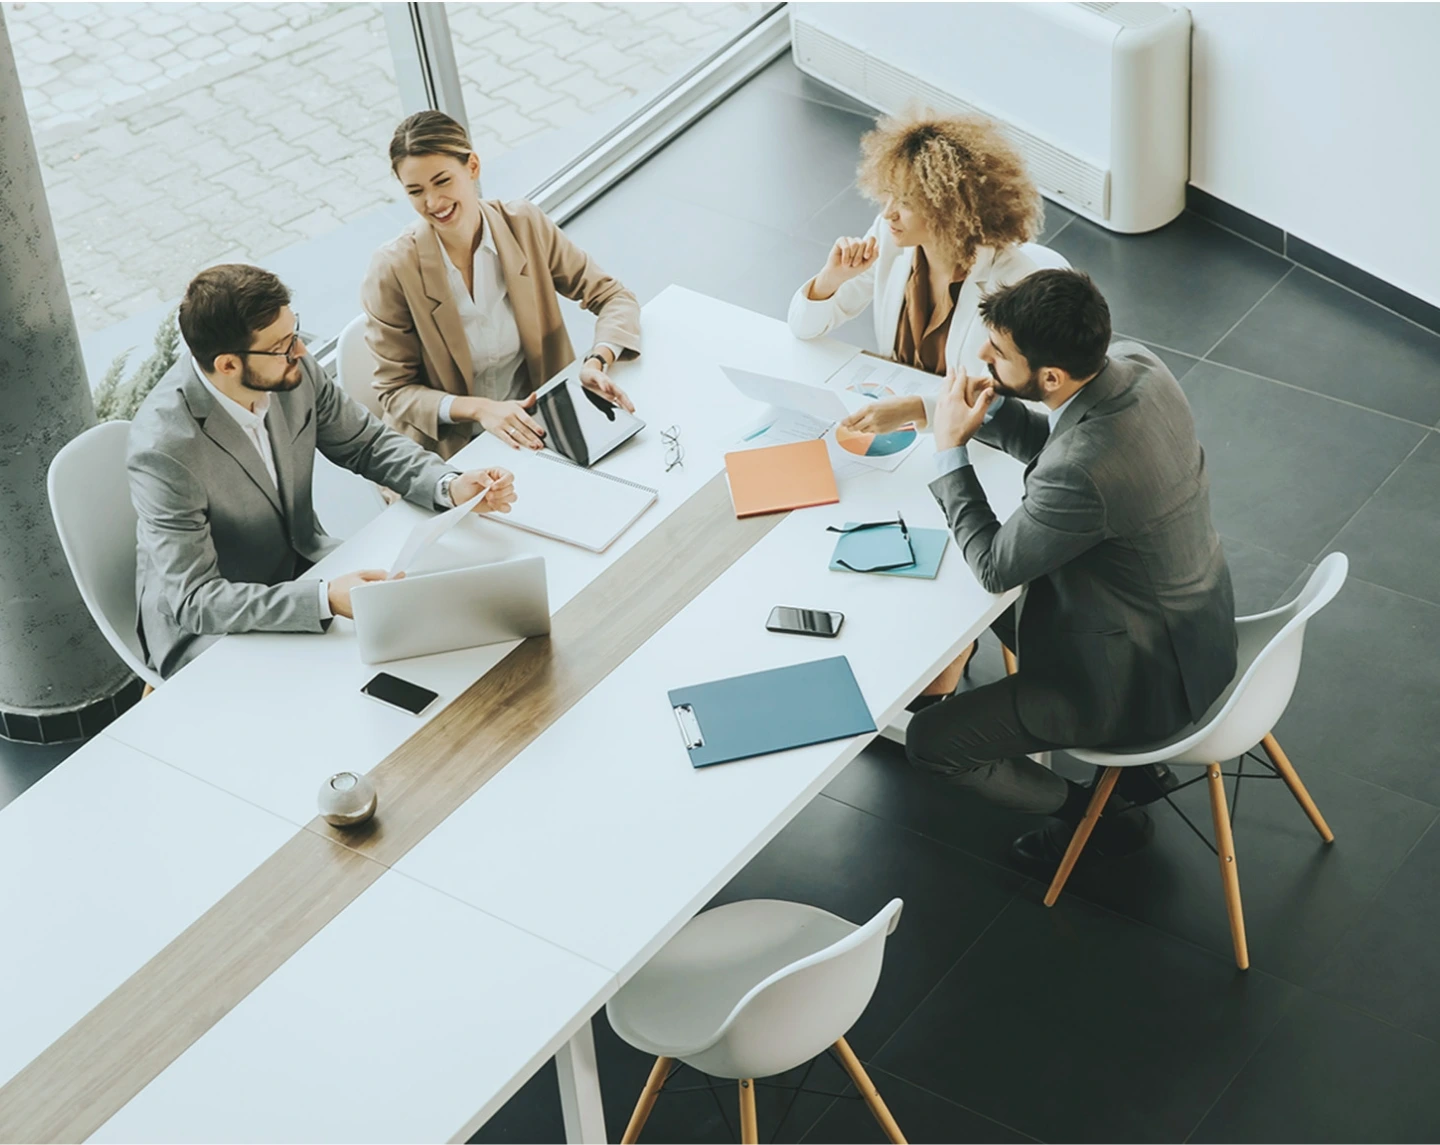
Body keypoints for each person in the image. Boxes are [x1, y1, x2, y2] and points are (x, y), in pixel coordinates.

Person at [904, 269, 1238, 869]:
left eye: (999, 352)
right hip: (1195, 631)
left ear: (1050, 376)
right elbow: (1060, 442)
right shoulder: (1138, 365)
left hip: (1134, 685)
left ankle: (1092, 813)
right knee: (986, 607)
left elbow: (992, 565)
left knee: (932, 742)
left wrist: (949, 451)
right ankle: (1137, 777)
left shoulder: (1084, 471)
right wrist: (978, 409)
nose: (982, 353)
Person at [789, 111, 1064, 702]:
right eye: (887, 196)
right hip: (903, 447)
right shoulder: (892, 241)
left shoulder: (1026, 278)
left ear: (950, 208)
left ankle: (936, 681)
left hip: (983, 457)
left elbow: (1017, 408)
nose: (887, 213)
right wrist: (831, 278)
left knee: (938, 616)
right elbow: (805, 325)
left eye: (905, 201)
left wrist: (915, 408)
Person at [128, 264, 517, 679]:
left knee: (439, 637)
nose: (301, 351)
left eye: (294, 332)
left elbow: (366, 443)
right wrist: (323, 599)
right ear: (227, 365)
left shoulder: (292, 368)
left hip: (304, 565)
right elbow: (197, 601)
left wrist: (449, 485)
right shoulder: (164, 450)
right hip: (211, 626)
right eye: (282, 346)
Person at [363, 110, 641, 461]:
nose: (432, 203)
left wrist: (596, 361)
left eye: (443, 181)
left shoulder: (523, 225)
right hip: (448, 450)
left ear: (473, 167)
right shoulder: (393, 268)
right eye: (416, 192)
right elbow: (395, 392)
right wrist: (479, 410)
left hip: (539, 428)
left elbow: (613, 296)